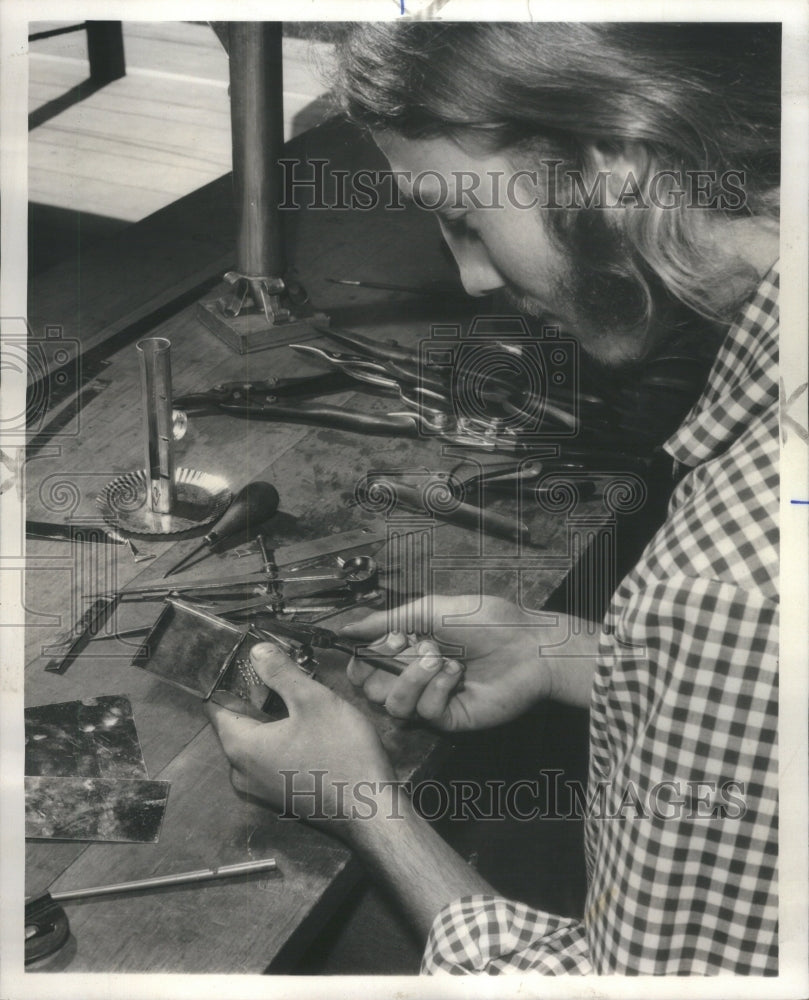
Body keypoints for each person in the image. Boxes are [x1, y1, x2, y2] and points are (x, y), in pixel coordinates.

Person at [206, 23, 780, 974]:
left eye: (465, 216)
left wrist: (364, 806)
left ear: (617, 161)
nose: (471, 276)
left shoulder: (729, 574)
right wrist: (565, 654)